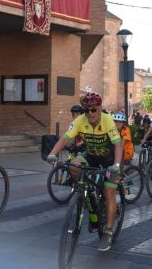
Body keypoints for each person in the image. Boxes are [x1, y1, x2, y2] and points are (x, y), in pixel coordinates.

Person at [45, 92, 123, 252]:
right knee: (74, 165)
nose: (90, 114)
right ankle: (85, 192)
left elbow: (117, 144)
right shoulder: (79, 121)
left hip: (109, 159)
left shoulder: (108, 120)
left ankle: (108, 232)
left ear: (100, 108)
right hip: (92, 155)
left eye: (93, 110)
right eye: (86, 110)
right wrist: (52, 154)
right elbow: (65, 138)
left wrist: (116, 165)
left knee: (109, 192)